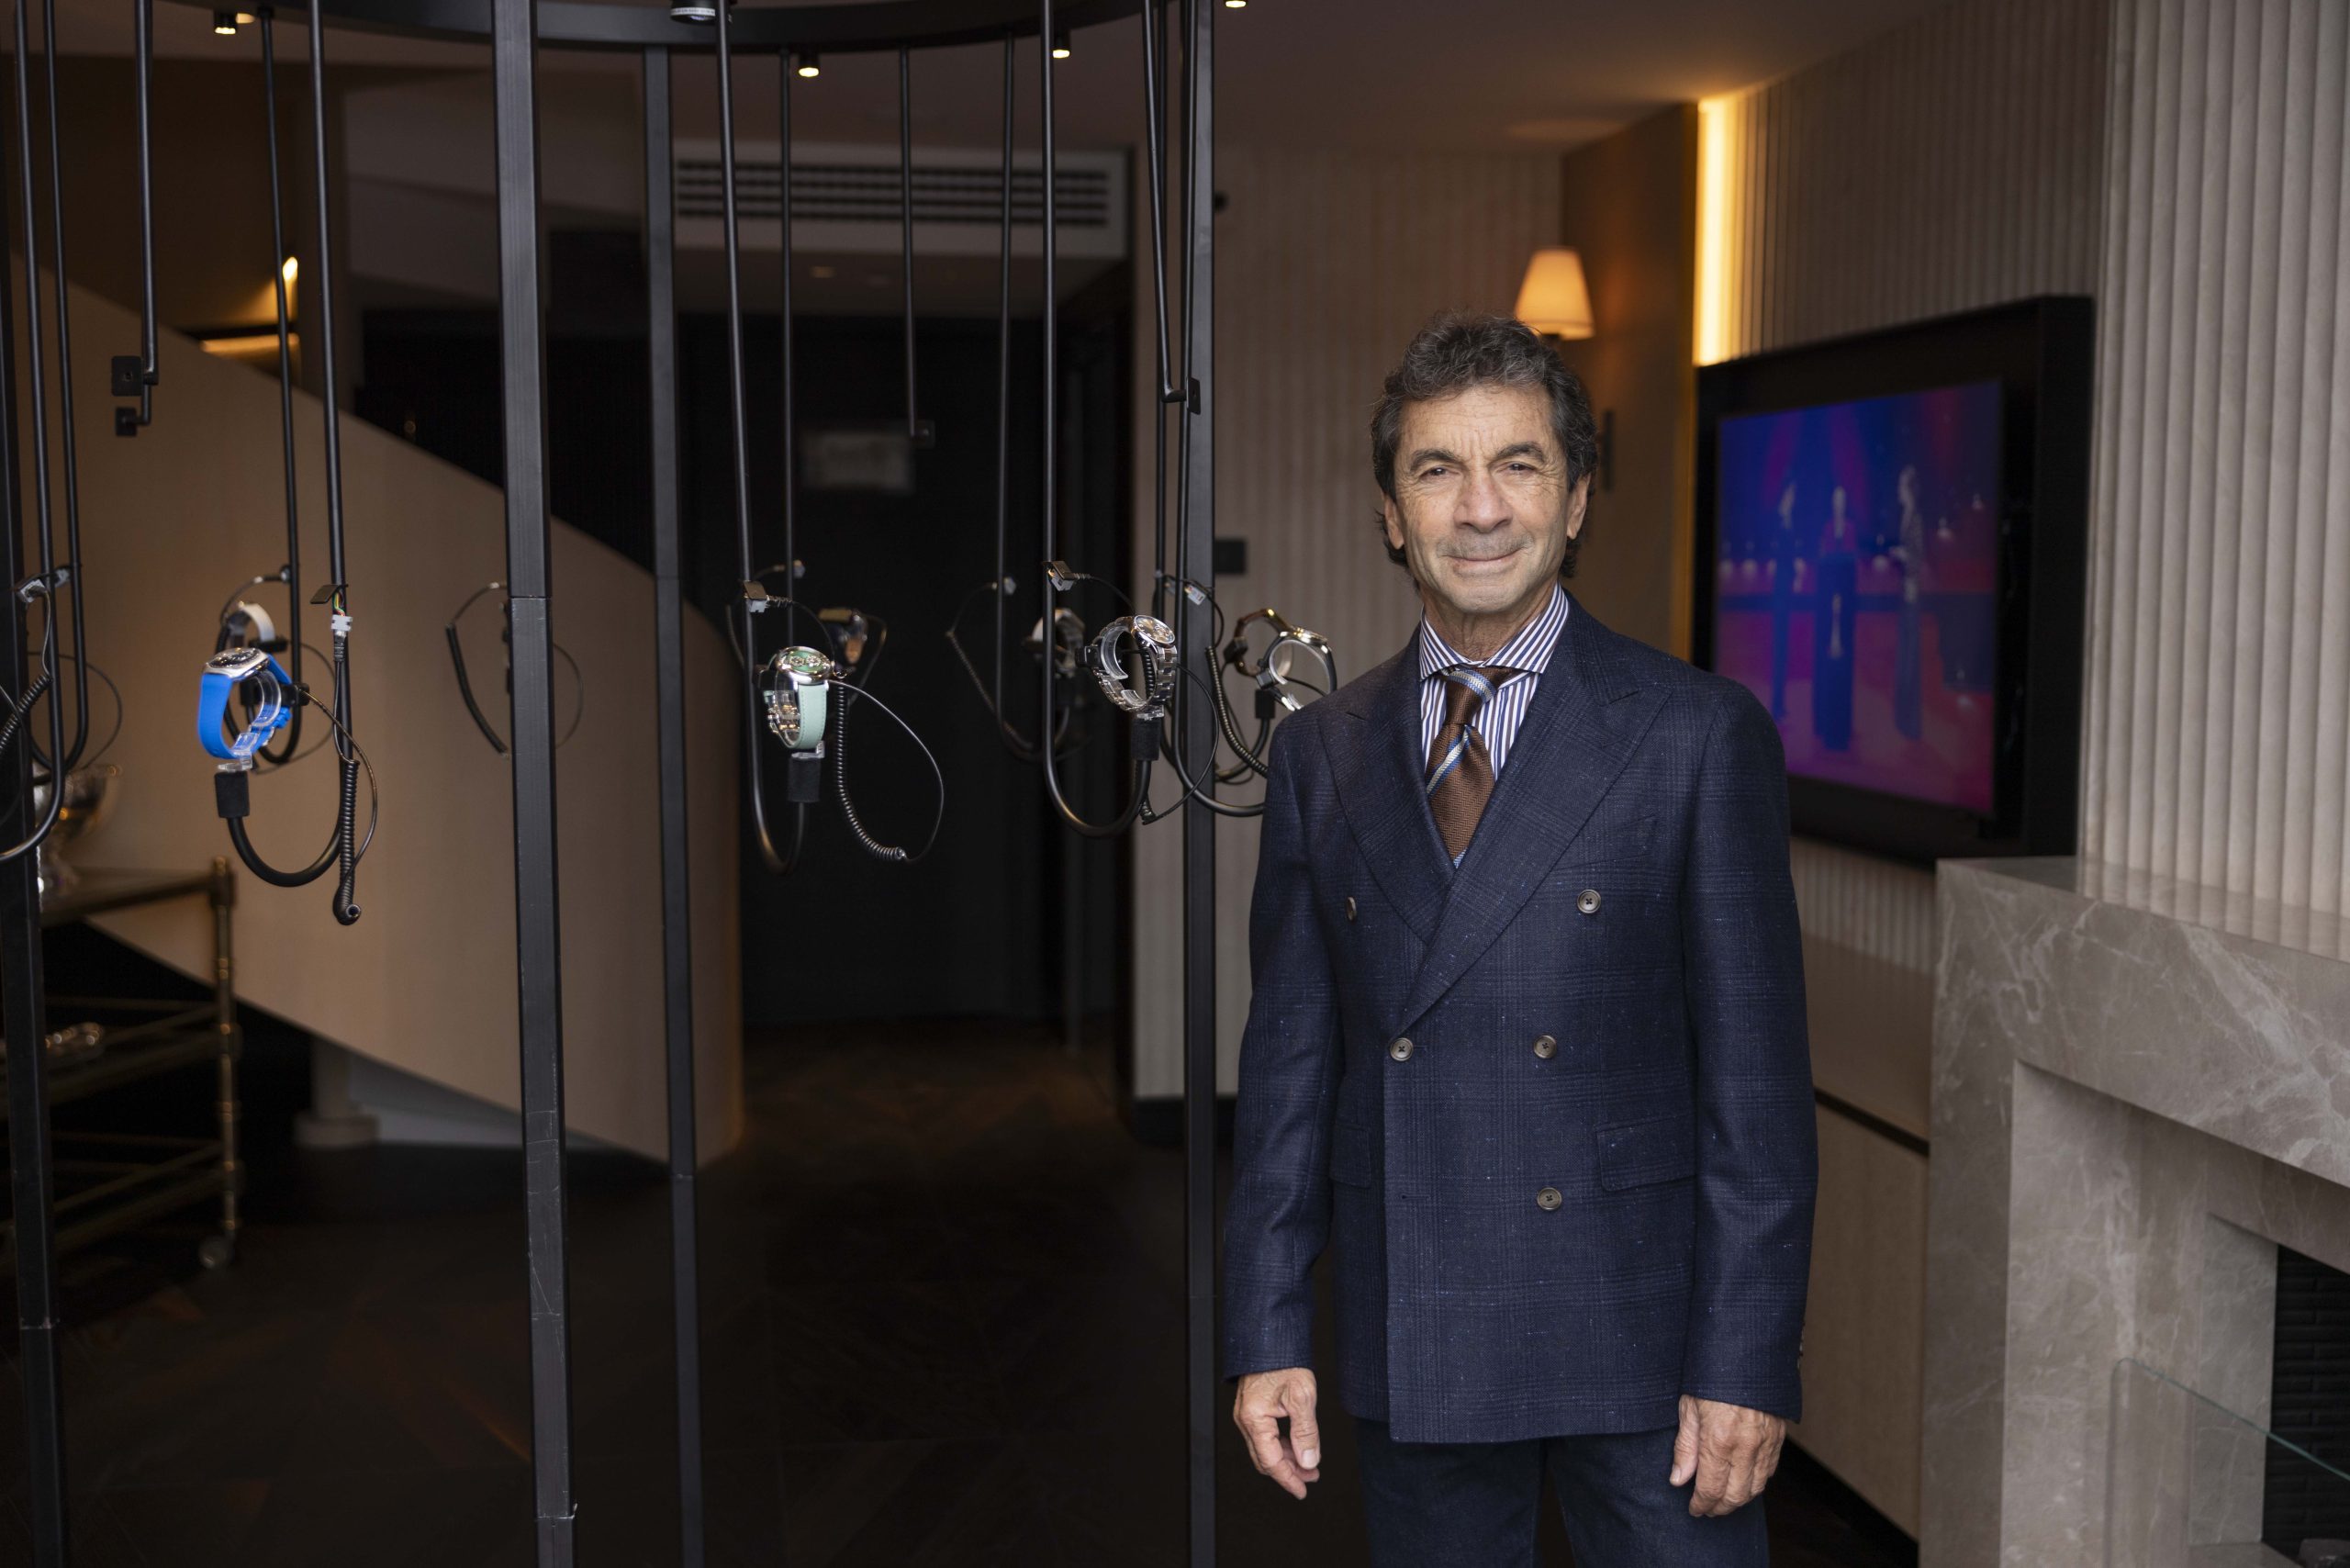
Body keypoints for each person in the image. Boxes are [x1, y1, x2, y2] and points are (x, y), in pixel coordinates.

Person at [1221, 313, 1817, 1567]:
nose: (1480, 508)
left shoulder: (1695, 734)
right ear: (1392, 515)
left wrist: (1747, 1359)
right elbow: (1288, 1075)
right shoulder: (1321, 754)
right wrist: (1267, 1331)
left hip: (1648, 1338)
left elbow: (1757, 1095)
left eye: (1519, 465)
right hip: (1422, 1315)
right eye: (1438, 469)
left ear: (1577, 498)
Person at [1810, 487, 1859, 751]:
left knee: (1844, 660)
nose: (1839, 503)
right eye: (1836, 499)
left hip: (1846, 600)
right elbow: (1823, 559)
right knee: (1827, 658)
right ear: (1832, 503)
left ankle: (1843, 725)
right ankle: (1824, 722)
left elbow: (1852, 561)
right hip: (1827, 601)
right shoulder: (1827, 528)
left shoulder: (1850, 528)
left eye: (1842, 499)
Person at [1891, 465, 1926, 741]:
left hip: (1913, 594)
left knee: (1911, 659)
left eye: (1901, 485)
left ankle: (1912, 724)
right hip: (1905, 593)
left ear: (1909, 489)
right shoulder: (1906, 516)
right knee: (1904, 657)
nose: (1898, 490)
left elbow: (1919, 558)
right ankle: (1903, 720)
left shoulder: (1916, 519)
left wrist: (1905, 556)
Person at [1766, 483, 1804, 720]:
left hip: (1786, 591)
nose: (1793, 498)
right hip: (1780, 593)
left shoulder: (1789, 521)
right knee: (1779, 649)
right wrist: (1792, 567)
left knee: (1784, 649)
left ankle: (1779, 704)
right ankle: (1776, 705)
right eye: (1790, 494)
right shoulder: (1778, 521)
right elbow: (1779, 555)